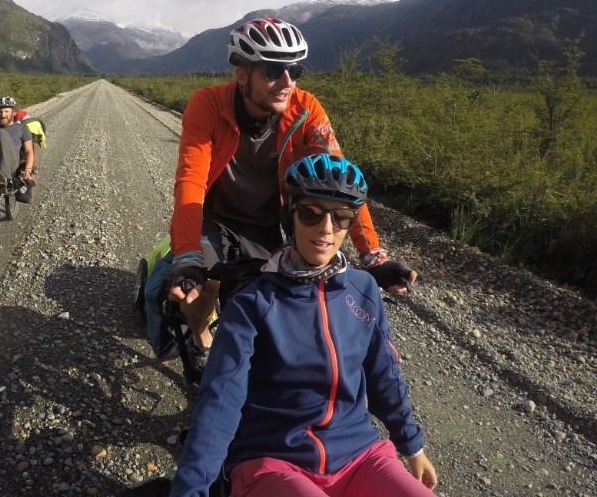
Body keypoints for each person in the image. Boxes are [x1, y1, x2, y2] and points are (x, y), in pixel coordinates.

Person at [169, 154, 437, 497]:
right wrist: (192, 488)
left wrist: (412, 445)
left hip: (359, 454)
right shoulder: (253, 303)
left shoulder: (363, 289)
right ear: (289, 216)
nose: (326, 228)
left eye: (341, 216)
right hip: (273, 459)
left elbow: (384, 375)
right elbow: (220, 401)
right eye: (311, 213)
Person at [167, 17, 415, 372]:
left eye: (295, 70)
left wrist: (373, 256)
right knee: (201, 289)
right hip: (215, 218)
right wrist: (188, 257)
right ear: (242, 75)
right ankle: (201, 339)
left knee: (285, 295)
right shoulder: (207, 104)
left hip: (268, 224)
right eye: (272, 71)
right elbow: (190, 180)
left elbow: (341, 182)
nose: (287, 82)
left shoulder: (306, 109)